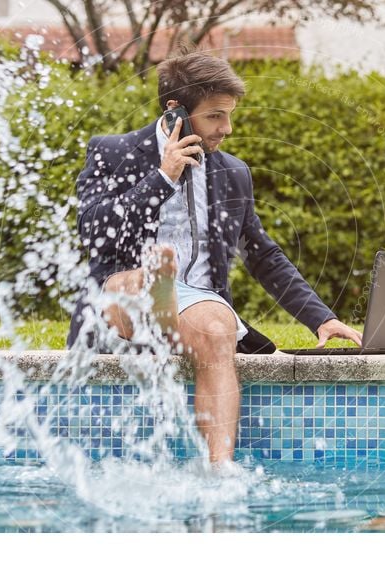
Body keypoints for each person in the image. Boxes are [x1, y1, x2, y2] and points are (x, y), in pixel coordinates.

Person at [67, 48, 361, 464]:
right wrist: (162, 178)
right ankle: (158, 288)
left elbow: (263, 254)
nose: (227, 128)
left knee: (217, 327)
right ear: (175, 113)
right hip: (121, 297)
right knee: (139, 279)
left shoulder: (232, 171)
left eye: (229, 114)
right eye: (215, 116)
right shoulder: (114, 152)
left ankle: (219, 471)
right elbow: (93, 229)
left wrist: (321, 317)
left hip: (196, 306)